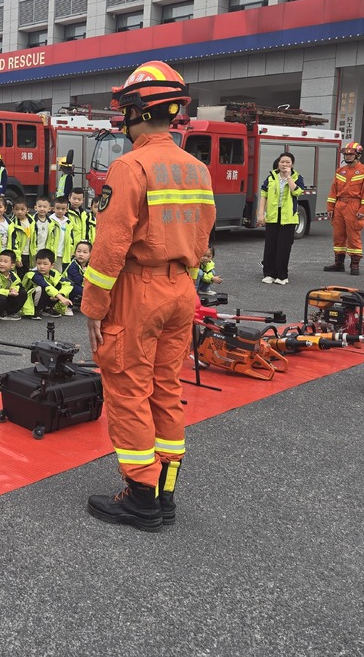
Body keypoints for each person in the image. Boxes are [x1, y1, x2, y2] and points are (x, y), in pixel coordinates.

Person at [83, 60, 215, 533]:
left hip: (139, 290)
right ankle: (165, 493)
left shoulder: (130, 165)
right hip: (182, 287)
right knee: (166, 388)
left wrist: (94, 306)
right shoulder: (196, 168)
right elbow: (202, 238)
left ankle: (140, 497)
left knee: (129, 388)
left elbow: (110, 245)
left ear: (136, 111)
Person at [324, 142, 364, 275]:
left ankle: (355, 264)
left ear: (358, 155)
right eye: (346, 154)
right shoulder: (340, 171)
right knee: (338, 235)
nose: (347, 156)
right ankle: (339, 263)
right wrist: (330, 207)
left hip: (354, 206)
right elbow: (333, 191)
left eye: (350, 154)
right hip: (339, 205)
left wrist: (362, 210)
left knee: (353, 235)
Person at [256, 152, 305, 285]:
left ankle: (282, 276)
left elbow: (297, 192)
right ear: (278, 163)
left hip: (288, 219)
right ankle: (269, 274)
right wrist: (261, 213)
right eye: (282, 162)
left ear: (292, 164)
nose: (284, 164)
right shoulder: (271, 177)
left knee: (283, 248)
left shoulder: (297, 177)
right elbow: (263, 195)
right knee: (270, 247)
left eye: (287, 162)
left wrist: (289, 178)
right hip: (272, 217)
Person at [22, 249, 73, 317]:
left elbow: (68, 283)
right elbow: (45, 285)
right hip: (29, 299)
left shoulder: (55, 273)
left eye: (45, 264)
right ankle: (35, 310)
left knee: (59, 286)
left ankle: (48, 308)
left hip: (48, 296)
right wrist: (60, 297)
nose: (42, 266)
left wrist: (61, 294)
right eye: (39, 263)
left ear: (52, 265)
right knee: (40, 288)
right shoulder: (32, 274)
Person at [0, 250, 26, 324]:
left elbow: (17, 284)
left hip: (5, 299)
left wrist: (14, 289)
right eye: (0, 261)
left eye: (5, 262)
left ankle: (8, 313)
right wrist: (8, 292)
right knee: (1, 297)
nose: (2, 264)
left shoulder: (13, 275)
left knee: (22, 292)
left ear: (12, 265)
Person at [64, 240, 91, 310]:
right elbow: (78, 280)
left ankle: (81, 303)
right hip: (67, 285)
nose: (81, 254)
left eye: (85, 252)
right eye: (78, 251)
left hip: (77, 285)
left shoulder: (89, 265)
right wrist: (85, 274)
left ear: (91, 254)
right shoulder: (73, 265)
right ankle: (68, 306)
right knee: (81, 290)